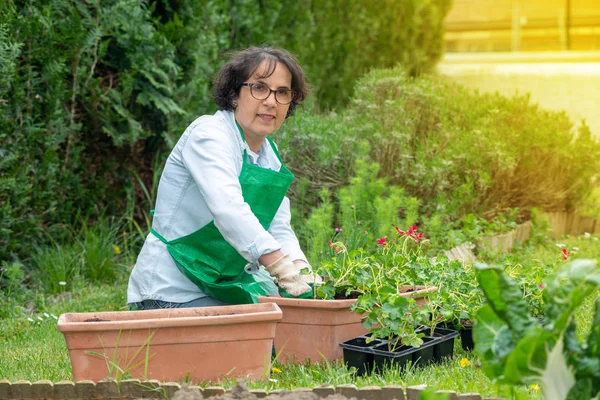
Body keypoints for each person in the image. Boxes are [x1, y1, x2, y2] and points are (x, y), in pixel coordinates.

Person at [127, 46, 315, 310]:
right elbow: (228, 208)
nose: (271, 101)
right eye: (259, 88)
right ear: (234, 95)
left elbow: (278, 226)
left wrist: (300, 268)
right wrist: (278, 264)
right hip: (171, 291)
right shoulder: (209, 135)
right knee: (259, 346)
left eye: (282, 92)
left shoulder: (269, 154)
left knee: (284, 340)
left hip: (223, 286)